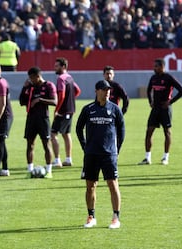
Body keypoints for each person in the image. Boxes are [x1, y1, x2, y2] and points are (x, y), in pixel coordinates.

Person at [76, 80, 125, 229]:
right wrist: (85, 147)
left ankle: (116, 217)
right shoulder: (88, 109)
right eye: (104, 90)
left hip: (109, 154)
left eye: (108, 90)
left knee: (113, 184)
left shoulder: (115, 109)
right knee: (90, 186)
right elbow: (78, 129)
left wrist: (117, 149)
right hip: (91, 154)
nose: (107, 92)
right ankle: (91, 216)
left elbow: (121, 130)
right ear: (97, 91)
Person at [138, 58, 182, 165]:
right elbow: (149, 89)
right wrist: (151, 101)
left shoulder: (168, 78)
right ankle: (147, 158)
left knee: (167, 132)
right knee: (149, 131)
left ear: (162, 67)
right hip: (155, 109)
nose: (154, 68)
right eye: (154, 66)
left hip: (165, 109)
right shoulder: (153, 78)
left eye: (156, 66)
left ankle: (165, 157)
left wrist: (170, 102)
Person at [19, 67, 57, 179]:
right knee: (30, 144)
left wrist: (40, 100)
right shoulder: (30, 87)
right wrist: (24, 87)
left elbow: (54, 101)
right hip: (31, 119)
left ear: (38, 76)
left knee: (46, 144)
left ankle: (49, 170)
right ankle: (30, 170)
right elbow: (21, 101)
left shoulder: (48, 85)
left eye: (31, 78)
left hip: (43, 119)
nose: (30, 80)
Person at [51, 57, 81, 167]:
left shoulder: (61, 79)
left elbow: (62, 95)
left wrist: (57, 109)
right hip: (71, 110)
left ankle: (57, 160)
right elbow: (77, 90)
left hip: (63, 111)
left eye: (57, 66)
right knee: (66, 134)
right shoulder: (70, 77)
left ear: (63, 67)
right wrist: (71, 100)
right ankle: (68, 159)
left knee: (53, 134)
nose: (55, 68)